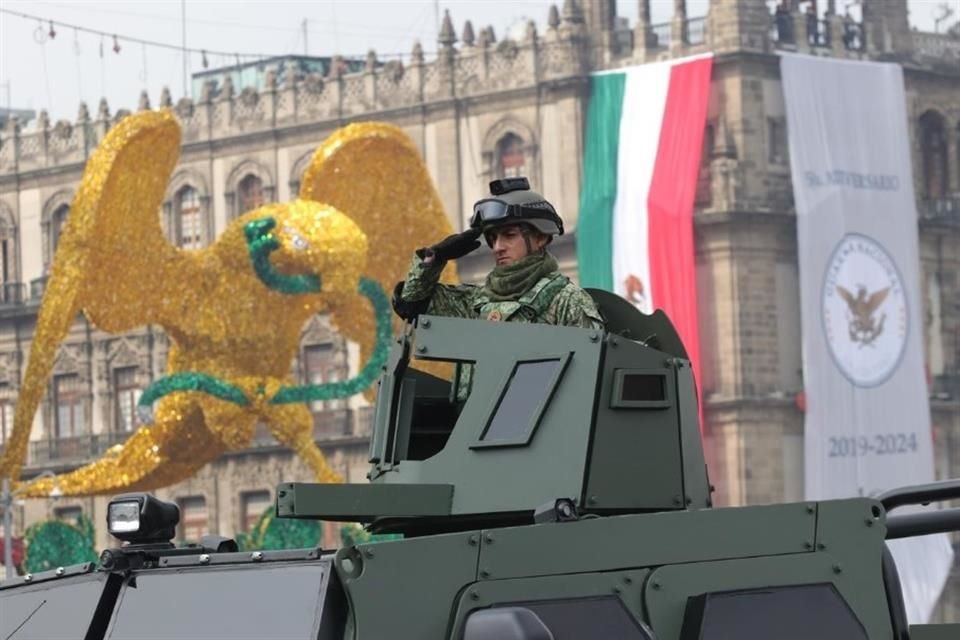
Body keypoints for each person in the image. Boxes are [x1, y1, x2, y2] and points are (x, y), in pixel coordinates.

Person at [393, 177, 603, 330]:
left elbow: (589, 372)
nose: (497, 247)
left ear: (540, 238)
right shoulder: (476, 302)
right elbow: (411, 304)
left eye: (509, 235)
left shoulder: (567, 301)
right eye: (493, 238)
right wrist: (434, 259)